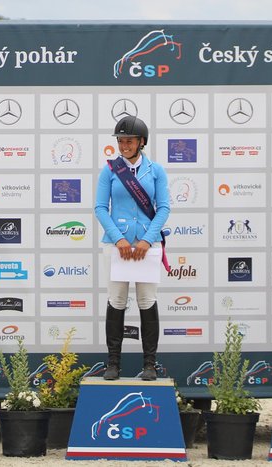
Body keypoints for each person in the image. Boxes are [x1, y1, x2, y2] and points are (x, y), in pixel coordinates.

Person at [95, 115, 170, 381]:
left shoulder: (156, 171)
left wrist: (147, 239)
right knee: (116, 300)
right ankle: (113, 363)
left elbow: (164, 208)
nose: (124, 145)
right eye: (121, 141)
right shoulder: (110, 170)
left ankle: (150, 363)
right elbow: (100, 208)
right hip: (118, 246)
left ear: (141, 142)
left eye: (129, 141)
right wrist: (119, 239)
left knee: (147, 301)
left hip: (147, 246)